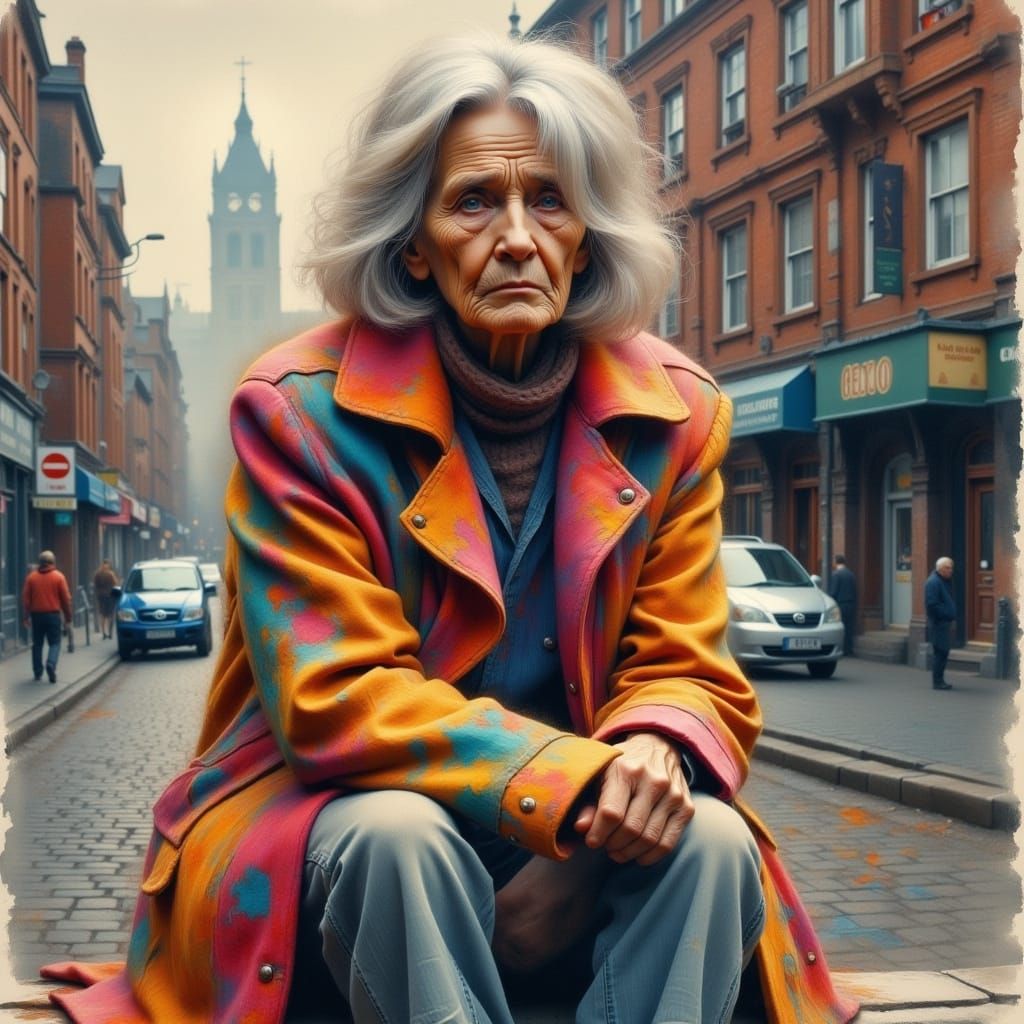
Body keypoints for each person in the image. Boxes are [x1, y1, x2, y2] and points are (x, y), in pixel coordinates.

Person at [43, 36, 857, 1024]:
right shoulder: (297, 412)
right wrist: (574, 787)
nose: (516, 237)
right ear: (414, 241)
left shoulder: (674, 415)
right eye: (475, 201)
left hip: (570, 815)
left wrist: (648, 751)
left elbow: (685, 664)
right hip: (351, 822)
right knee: (400, 839)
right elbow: (336, 695)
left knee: (713, 843)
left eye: (549, 200)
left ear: (587, 234)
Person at [22, 550, 72, 684]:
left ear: (40, 563)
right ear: (52, 562)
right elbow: (66, 599)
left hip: (36, 615)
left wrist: (26, 617)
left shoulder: (31, 578)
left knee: (37, 644)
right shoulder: (59, 577)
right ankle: (51, 663)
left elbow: (26, 600)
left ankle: (38, 672)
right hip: (53, 615)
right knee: (55, 643)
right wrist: (68, 617)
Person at [925, 556, 957, 690]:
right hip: (938, 624)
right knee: (941, 652)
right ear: (940, 569)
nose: (950, 570)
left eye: (951, 568)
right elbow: (932, 605)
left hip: (943, 623)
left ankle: (939, 680)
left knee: (943, 652)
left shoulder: (943, 581)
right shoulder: (933, 582)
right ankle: (937, 682)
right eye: (947, 568)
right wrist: (945, 615)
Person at [827, 553, 857, 656]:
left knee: (841, 628)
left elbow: (833, 592)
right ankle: (849, 650)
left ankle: (841, 649)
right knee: (849, 628)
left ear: (835, 562)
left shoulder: (836, 575)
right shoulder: (851, 574)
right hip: (851, 604)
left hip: (841, 605)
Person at [92, 559, 119, 639]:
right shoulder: (110, 574)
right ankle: (109, 633)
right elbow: (116, 583)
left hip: (101, 596)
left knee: (103, 614)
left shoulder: (97, 574)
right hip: (110, 596)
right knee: (110, 614)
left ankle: (104, 633)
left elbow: (95, 585)